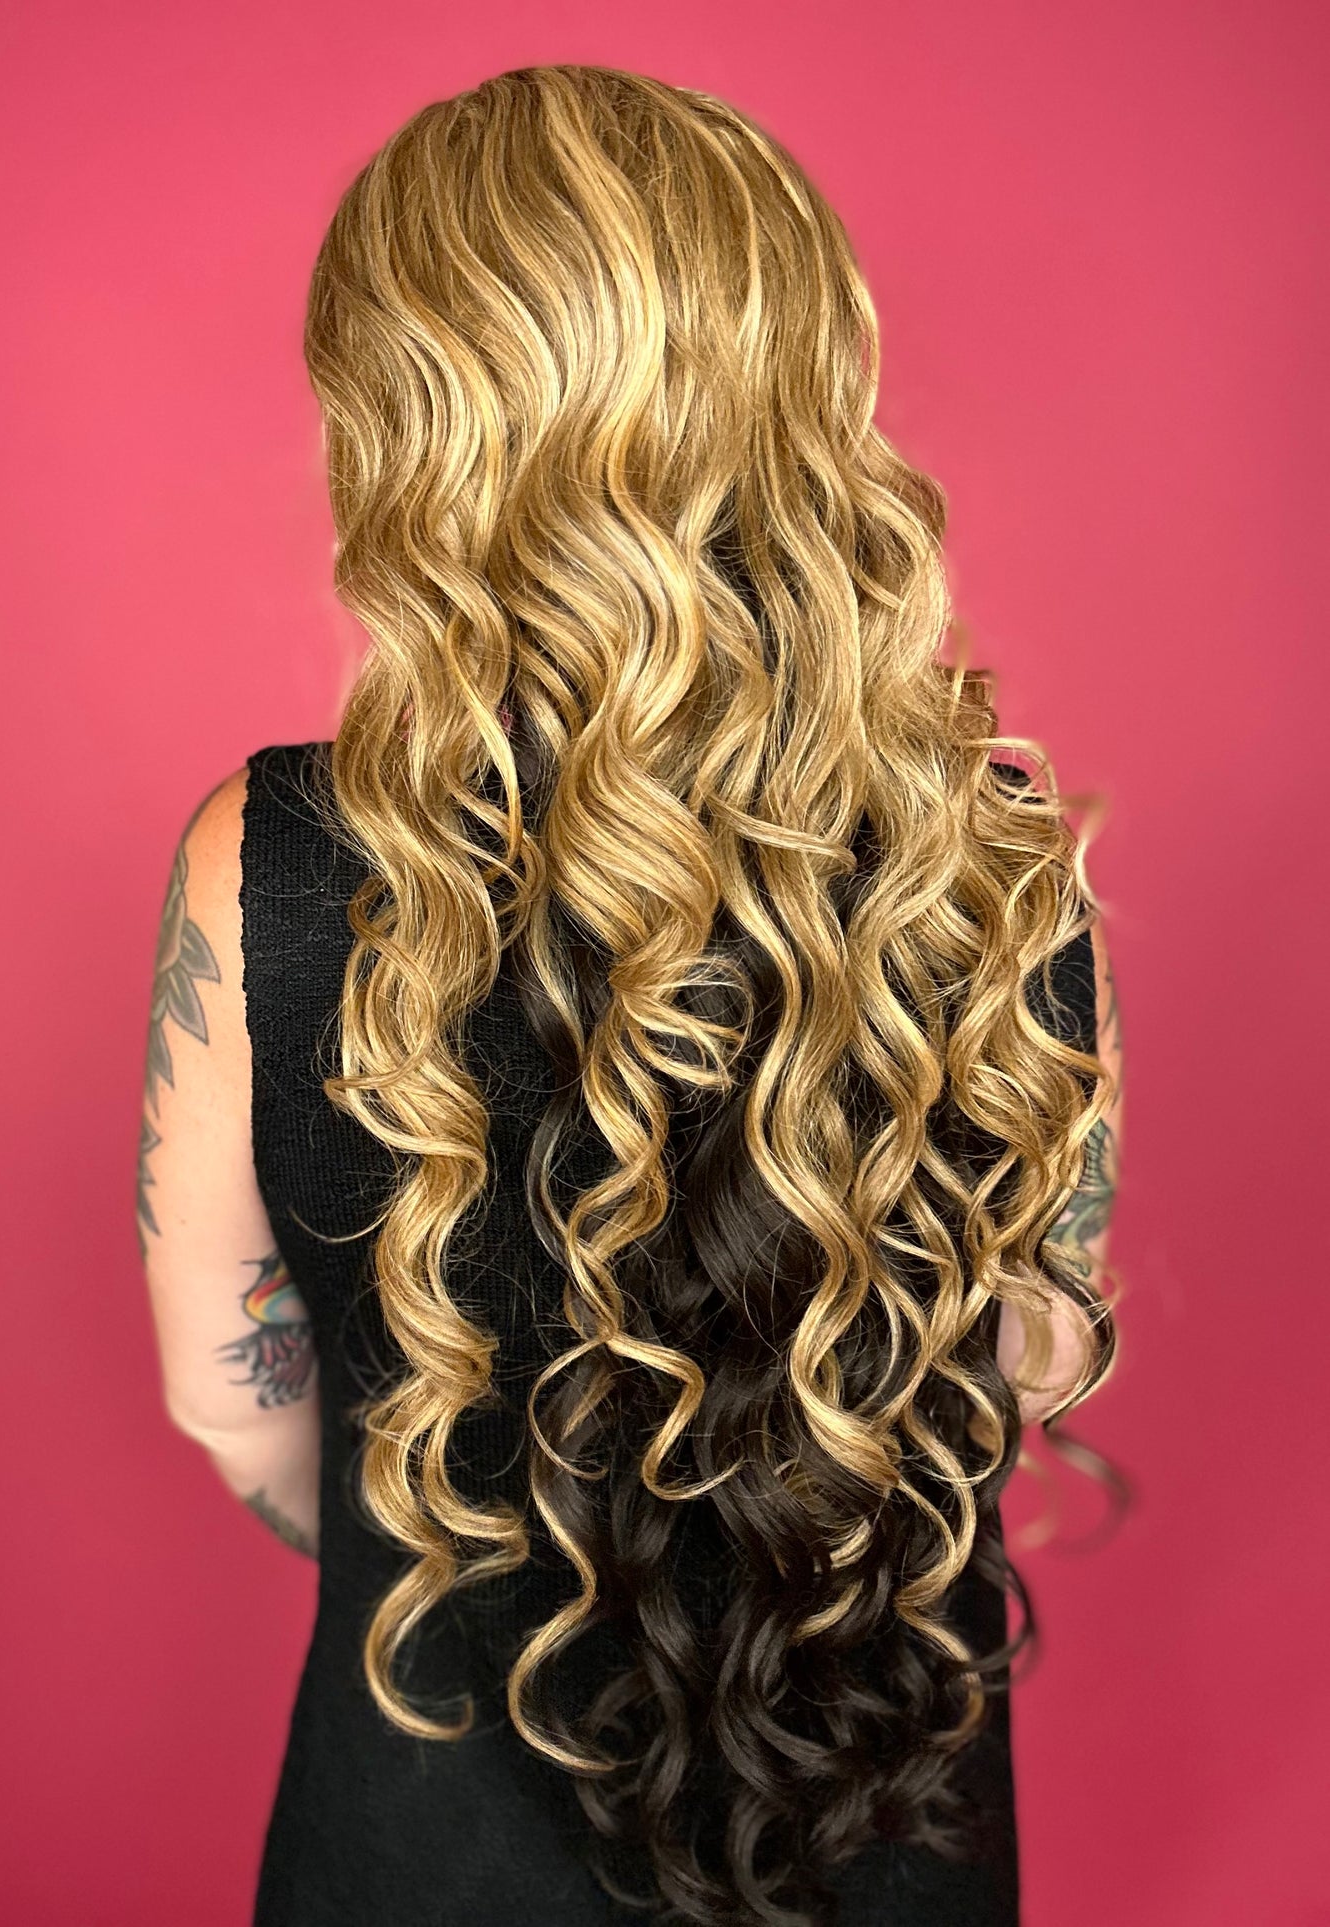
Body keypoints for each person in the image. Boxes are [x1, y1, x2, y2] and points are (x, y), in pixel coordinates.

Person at [139, 64, 1124, 1927]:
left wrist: (438, 1544)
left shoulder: (258, 863)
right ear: (800, 382)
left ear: (404, 423)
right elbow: (1031, 1355)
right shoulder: (991, 858)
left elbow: (235, 1396)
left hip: (423, 1835)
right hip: (882, 1825)